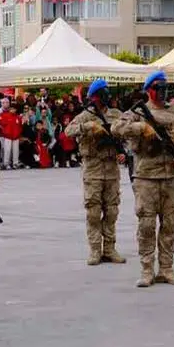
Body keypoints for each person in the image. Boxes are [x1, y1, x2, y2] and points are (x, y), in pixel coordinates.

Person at [117, 70, 174, 288]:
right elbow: (117, 128)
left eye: (165, 88)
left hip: (171, 177)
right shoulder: (139, 113)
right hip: (146, 177)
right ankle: (147, 268)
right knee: (147, 224)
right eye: (158, 88)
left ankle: (167, 268)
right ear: (149, 90)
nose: (163, 92)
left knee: (169, 224)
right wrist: (140, 127)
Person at [64, 79, 128, 266]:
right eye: (102, 93)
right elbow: (68, 131)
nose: (106, 96)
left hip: (111, 167)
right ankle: (94, 249)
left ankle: (109, 248)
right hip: (93, 168)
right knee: (93, 211)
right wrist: (87, 127)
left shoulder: (116, 114)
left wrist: (123, 152)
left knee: (112, 210)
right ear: (94, 97)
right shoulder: (86, 116)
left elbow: (127, 132)